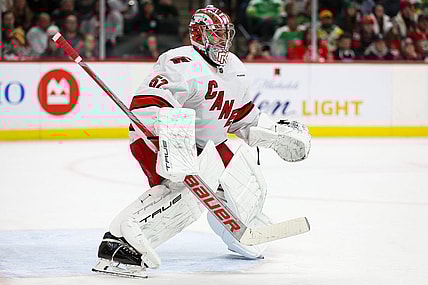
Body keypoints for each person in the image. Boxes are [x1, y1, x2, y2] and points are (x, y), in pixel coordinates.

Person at [91, 5, 311, 279]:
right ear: (199, 34)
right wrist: (173, 144)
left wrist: (276, 135)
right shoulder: (181, 62)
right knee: (184, 195)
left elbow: (241, 117)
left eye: (225, 34)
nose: (223, 41)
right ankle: (119, 242)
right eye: (216, 34)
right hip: (158, 138)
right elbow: (149, 104)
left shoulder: (234, 68)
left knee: (247, 185)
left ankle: (239, 231)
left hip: (208, 145)